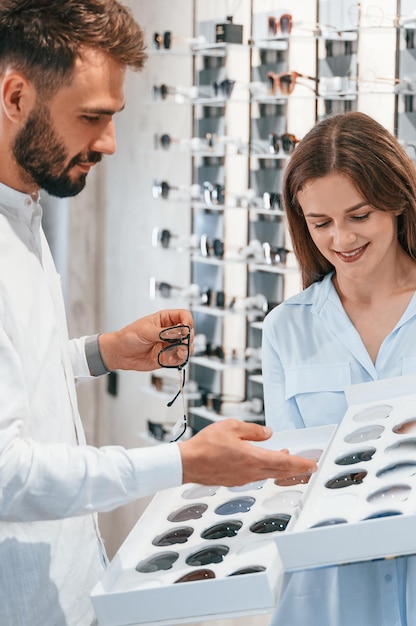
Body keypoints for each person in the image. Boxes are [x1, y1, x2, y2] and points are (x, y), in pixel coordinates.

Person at [0, 2, 317, 625]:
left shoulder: (26, 212)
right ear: (15, 96)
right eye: (91, 118)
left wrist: (101, 353)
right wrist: (182, 462)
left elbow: (15, 372)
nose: (109, 143)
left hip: (69, 587)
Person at [262, 110, 416, 626]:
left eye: (359, 215)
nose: (341, 239)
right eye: (320, 223)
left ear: (397, 201)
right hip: (330, 592)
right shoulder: (286, 328)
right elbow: (289, 472)